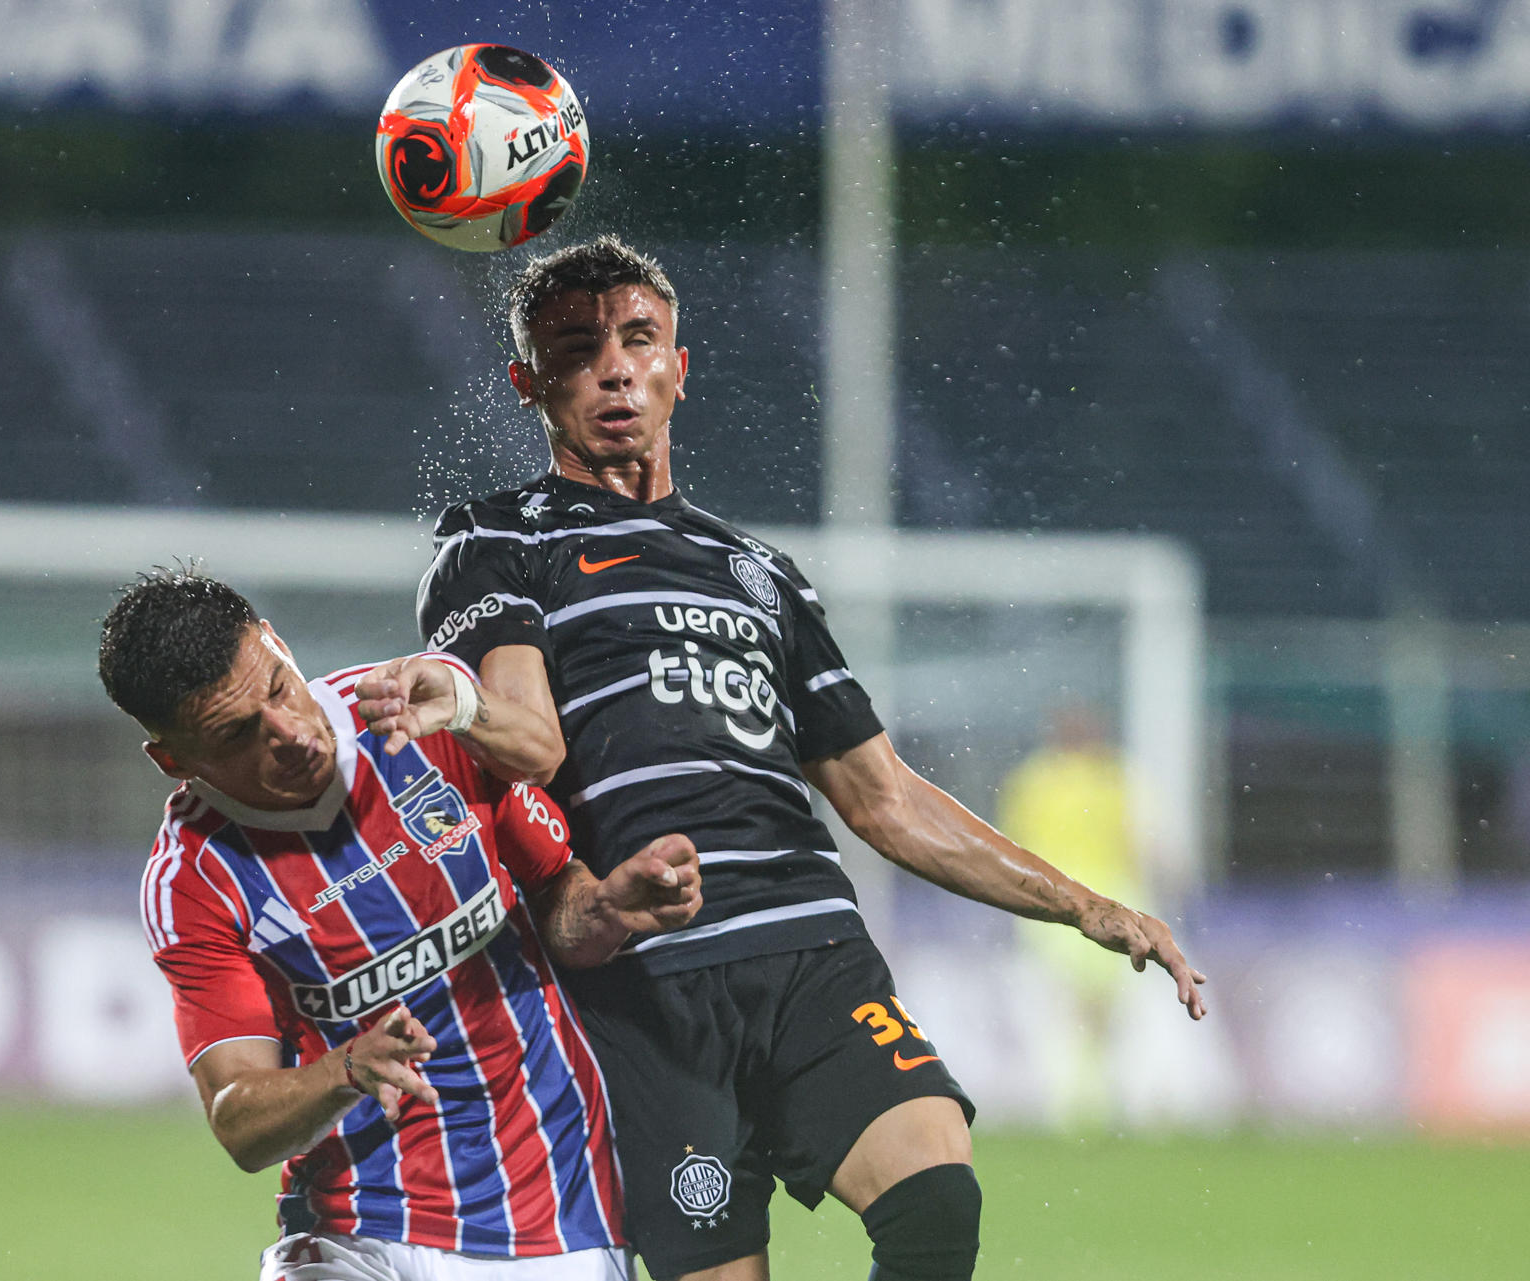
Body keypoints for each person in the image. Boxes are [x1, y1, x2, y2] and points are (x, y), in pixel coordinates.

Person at [356, 236, 1208, 1281]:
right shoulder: (497, 539)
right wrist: (462, 701)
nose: (615, 369)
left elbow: (885, 798)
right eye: (576, 350)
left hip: (811, 949)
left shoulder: (760, 572)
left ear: (680, 367)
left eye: (638, 340)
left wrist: (1084, 905)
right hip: (644, 979)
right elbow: (532, 741)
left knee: (937, 1196)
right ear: (530, 383)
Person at [98, 568, 701, 1281]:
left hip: (553, 1209)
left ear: (277, 642)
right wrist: (344, 1069)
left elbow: (555, 903)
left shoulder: (417, 709)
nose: (289, 734)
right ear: (173, 760)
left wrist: (607, 910)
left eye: (279, 688)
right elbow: (239, 1121)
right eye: (237, 735)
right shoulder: (194, 878)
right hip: (356, 1226)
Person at [997, 703, 1146, 1128]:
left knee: (1084, 1006)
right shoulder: (1107, 776)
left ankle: (1085, 1097)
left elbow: (1011, 846)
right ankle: (1082, 1099)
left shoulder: (1040, 778)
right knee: (1086, 1006)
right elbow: (1139, 842)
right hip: (1086, 899)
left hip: (1065, 899)